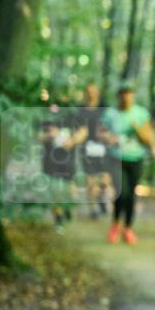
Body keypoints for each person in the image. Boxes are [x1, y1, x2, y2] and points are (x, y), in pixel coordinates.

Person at [102, 85, 155, 245]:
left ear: (133, 95)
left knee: (131, 195)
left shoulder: (141, 114)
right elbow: (101, 133)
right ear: (119, 95)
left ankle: (128, 227)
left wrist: (139, 130)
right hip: (116, 158)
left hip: (136, 159)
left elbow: (149, 137)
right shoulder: (111, 114)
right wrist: (108, 138)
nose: (126, 97)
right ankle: (115, 224)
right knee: (122, 193)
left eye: (129, 93)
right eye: (123, 93)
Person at [39, 101, 84, 230]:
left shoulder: (72, 115)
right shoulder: (45, 116)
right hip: (50, 161)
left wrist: (72, 140)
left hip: (68, 161)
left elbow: (83, 131)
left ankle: (67, 208)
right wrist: (49, 136)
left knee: (68, 190)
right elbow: (38, 135)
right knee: (54, 191)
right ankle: (58, 219)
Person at [77, 84, 113, 219]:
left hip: (104, 148)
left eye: (94, 91)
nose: (91, 94)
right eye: (89, 91)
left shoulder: (105, 109)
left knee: (105, 180)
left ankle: (102, 200)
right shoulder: (80, 110)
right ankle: (93, 209)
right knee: (90, 180)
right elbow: (77, 128)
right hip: (87, 148)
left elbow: (111, 126)